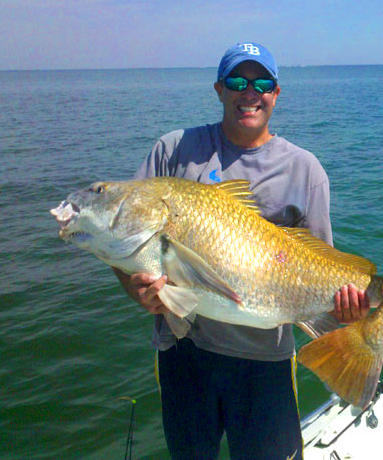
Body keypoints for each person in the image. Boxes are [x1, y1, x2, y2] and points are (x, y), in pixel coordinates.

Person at [114, 42, 369, 459]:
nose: (249, 92)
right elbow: (123, 240)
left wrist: (344, 308)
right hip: (184, 356)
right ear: (219, 90)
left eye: (262, 82)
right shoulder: (172, 151)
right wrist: (134, 287)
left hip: (264, 361)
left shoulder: (305, 170)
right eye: (237, 81)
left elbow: (323, 266)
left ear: (276, 92)